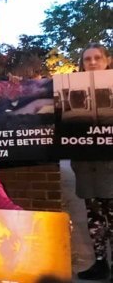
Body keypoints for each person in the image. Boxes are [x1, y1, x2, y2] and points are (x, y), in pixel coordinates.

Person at [72, 43, 113, 280]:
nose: (93, 62)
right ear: (82, 64)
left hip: (110, 164)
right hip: (87, 166)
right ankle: (100, 263)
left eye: (98, 57)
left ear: (107, 60)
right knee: (95, 217)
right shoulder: (71, 88)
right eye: (88, 59)